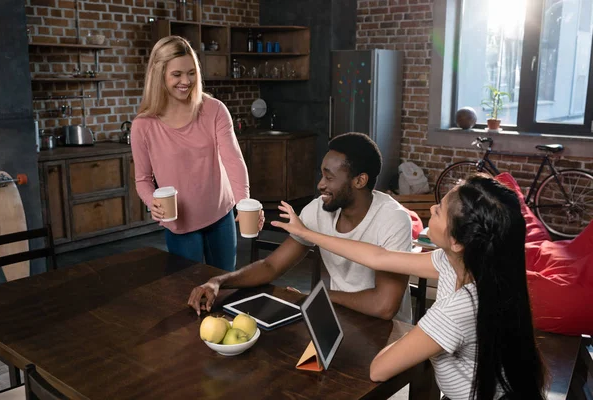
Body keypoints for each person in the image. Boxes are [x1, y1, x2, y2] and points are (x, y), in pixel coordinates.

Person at [272, 174, 547, 400]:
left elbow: (379, 370)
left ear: (458, 242)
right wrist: (307, 234)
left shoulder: (457, 310)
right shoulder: (471, 266)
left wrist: (417, 337)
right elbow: (378, 256)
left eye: (439, 212)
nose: (431, 209)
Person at [189, 132, 414, 322]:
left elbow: (384, 306)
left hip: (388, 333)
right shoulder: (318, 210)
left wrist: (319, 295)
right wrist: (219, 282)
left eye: (329, 177)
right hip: (340, 317)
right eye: (321, 175)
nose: (320, 184)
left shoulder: (393, 220)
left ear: (359, 181)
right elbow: (270, 266)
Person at [131, 36, 261, 272]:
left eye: (191, 73)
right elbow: (142, 180)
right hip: (180, 223)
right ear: (159, 75)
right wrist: (153, 203)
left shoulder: (214, 110)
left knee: (224, 283)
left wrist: (244, 201)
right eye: (177, 74)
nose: (186, 81)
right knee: (189, 289)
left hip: (221, 215)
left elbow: (233, 160)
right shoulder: (143, 125)